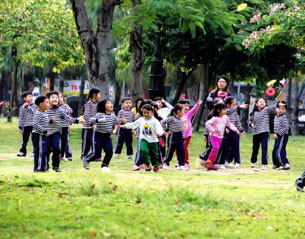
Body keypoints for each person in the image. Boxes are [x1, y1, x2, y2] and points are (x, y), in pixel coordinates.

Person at [121, 104, 164, 172]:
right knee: (144, 150)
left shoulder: (155, 121)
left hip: (153, 141)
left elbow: (160, 130)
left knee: (154, 155)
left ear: (152, 112)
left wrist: (158, 132)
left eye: (148, 113)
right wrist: (123, 126)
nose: (146, 114)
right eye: (144, 113)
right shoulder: (141, 120)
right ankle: (147, 164)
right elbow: (133, 124)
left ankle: (156, 166)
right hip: (144, 139)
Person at [44, 91, 81, 172]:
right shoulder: (45, 110)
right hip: (46, 133)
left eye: (56, 98)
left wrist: (78, 121)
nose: (55, 99)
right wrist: (49, 121)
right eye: (53, 97)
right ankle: (45, 166)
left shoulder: (60, 110)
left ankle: (56, 166)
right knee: (46, 150)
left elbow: (69, 119)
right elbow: (41, 120)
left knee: (57, 148)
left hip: (56, 133)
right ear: (48, 99)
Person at [82, 99, 120, 173]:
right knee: (97, 153)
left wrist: (115, 129)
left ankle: (105, 166)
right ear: (103, 106)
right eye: (108, 103)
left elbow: (118, 122)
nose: (111, 104)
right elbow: (90, 120)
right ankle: (86, 159)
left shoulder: (113, 115)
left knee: (109, 152)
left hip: (107, 136)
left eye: (111, 103)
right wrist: (99, 120)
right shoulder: (99, 114)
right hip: (98, 135)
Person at [203, 103, 240, 170]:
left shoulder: (225, 118)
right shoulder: (215, 118)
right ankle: (209, 162)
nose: (225, 111)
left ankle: (212, 163)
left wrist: (235, 129)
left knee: (217, 150)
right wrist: (212, 130)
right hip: (213, 136)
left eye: (225, 109)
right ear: (218, 110)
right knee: (216, 148)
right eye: (223, 109)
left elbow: (229, 125)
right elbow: (207, 123)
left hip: (220, 137)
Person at [248, 97, 278, 170]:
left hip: (264, 132)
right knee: (255, 148)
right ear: (256, 104)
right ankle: (253, 162)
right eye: (260, 101)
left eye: (264, 102)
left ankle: (264, 163)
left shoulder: (266, 110)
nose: (262, 103)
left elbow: (273, 106)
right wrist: (251, 124)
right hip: (256, 133)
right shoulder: (254, 113)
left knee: (264, 148)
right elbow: (249, 120)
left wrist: (279, 103)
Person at [161, 104, 187, 170]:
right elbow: (162, 122)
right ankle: (166, 163)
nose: (183, 112)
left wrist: (183, 138)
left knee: (181, 150)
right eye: (183, 111)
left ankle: (181, 165)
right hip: (173, 136)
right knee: (170, 150)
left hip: (180, 136)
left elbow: (181, 129)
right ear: (178, 111)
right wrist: (166, 130)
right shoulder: (171, 118)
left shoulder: (181, 119)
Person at [178, 99, 202, 169]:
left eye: (188, 105)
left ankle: (186, 162)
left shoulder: (188, 114)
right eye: (184, 105)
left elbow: (194, 110)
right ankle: (179, 161)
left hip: (187, 135)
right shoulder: (177, 115)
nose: (186, 107)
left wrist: (197, 105)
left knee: (184, 148)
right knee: (177, 149)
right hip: (179, 134)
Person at [224, 97, 247, 168]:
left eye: (235, 104)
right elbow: (230, 110)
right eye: (233, 104)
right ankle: (226, 160)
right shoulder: (226, 111)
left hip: (235, 132)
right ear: (228, 105)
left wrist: (241, 130)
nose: (235, 106)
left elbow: (238, 123)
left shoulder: (235, 113)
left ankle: (237, 161)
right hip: (227, 131)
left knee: (236, 147)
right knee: (227, 147)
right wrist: (238, 106)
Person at [81, 88, 101, 160]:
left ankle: (96, 156)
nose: (100, 96)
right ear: (94, 95)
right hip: (87, 128)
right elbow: (86, 116)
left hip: (94, 127)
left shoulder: (96, 104)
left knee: (94, 142)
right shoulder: (88, 104)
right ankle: (83, 156)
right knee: (86, 143)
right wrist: (91, 124)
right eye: (99, 94)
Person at [32, 96, 50, 172]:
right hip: (38, 135)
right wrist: (44, 131)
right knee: (40, 152)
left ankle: (43, 168)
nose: (48, 104)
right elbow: (35, 124)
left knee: (44, 151)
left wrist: (50, 121)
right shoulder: (38, 113)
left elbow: (44, 122)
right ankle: (39, 168)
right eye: (47, 103)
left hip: (42, 135)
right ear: (41, 104)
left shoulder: (44, 113)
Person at [272, 100, 290, 170]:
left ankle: (285, 164)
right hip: (277, 136)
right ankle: (276, 163)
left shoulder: (284, 118)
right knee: (275, 149)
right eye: (279, 108)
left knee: (279, 150)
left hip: (282, 136)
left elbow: (286, 128)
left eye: (282, 109)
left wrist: (278, 134)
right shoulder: (276, 117)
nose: (280, 110)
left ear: (285, 110)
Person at [17, 91, 36, 157]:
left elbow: (36, 114)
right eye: (29, 97)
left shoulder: (35, 106)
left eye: (31, 96)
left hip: (34, 125)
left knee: (35, 139)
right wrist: (20, 126)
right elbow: (21, 117)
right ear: (24, 98)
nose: (31, 98)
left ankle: (35, 152)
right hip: (26, 125)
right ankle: (23, 151)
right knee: (25, 140)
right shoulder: (22, 107)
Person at [58, 92, 73, 161]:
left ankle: (62, 155)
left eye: (61, 97)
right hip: (56, 127)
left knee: (64, 142)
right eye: (57, 97)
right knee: (56, 141)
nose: (59, 99)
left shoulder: (65, 106)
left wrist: (62, 111)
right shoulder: (52, 107)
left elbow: (70, 110)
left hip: (64, 126)